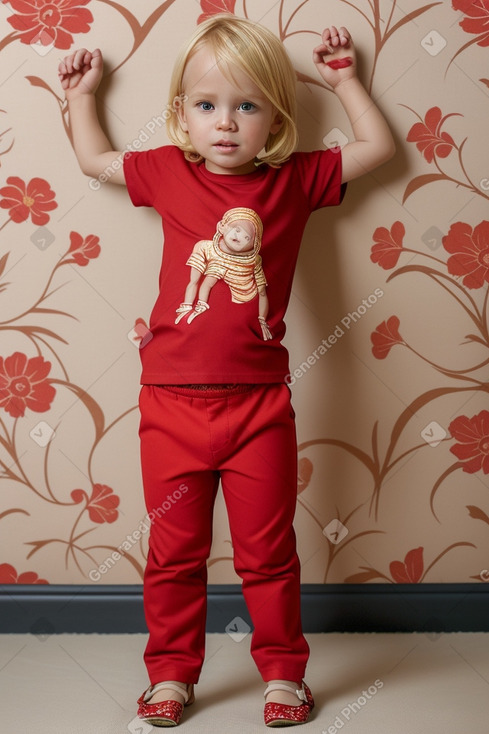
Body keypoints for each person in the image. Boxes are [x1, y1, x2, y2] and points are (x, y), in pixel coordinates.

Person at [58, 14, 395, 728]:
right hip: (170, 406)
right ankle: (172, 674)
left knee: (267, 553)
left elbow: (376, 148)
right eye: (207, 105)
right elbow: (94, 160)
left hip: (259, 408)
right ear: (181, 112)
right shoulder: (164, 171)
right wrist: (81, 97)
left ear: (274, 115)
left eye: (246, 106)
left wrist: (345, 82)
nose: (225, 123)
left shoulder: (295, 180)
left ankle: (281, 675)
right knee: (174, 554)